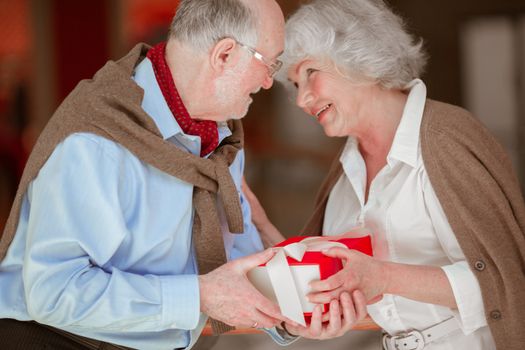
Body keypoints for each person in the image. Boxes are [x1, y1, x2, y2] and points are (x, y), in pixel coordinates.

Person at [0, 0, 298, 349]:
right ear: (225, 55)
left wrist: (295, 305)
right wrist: (200, 295)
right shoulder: (96, 142)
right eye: (269, 63)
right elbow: (53, 292)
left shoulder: (221, 139)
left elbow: (236, 269)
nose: (267, 82)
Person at [245, 0, 525, 349]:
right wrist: (273, 241)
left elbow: (508, 279)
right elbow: (348, 284)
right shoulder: (346, 169)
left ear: (357, 56)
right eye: (295, 84)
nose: (302, 100)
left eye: (310, 73)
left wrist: (384, 277)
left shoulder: (447, 138)